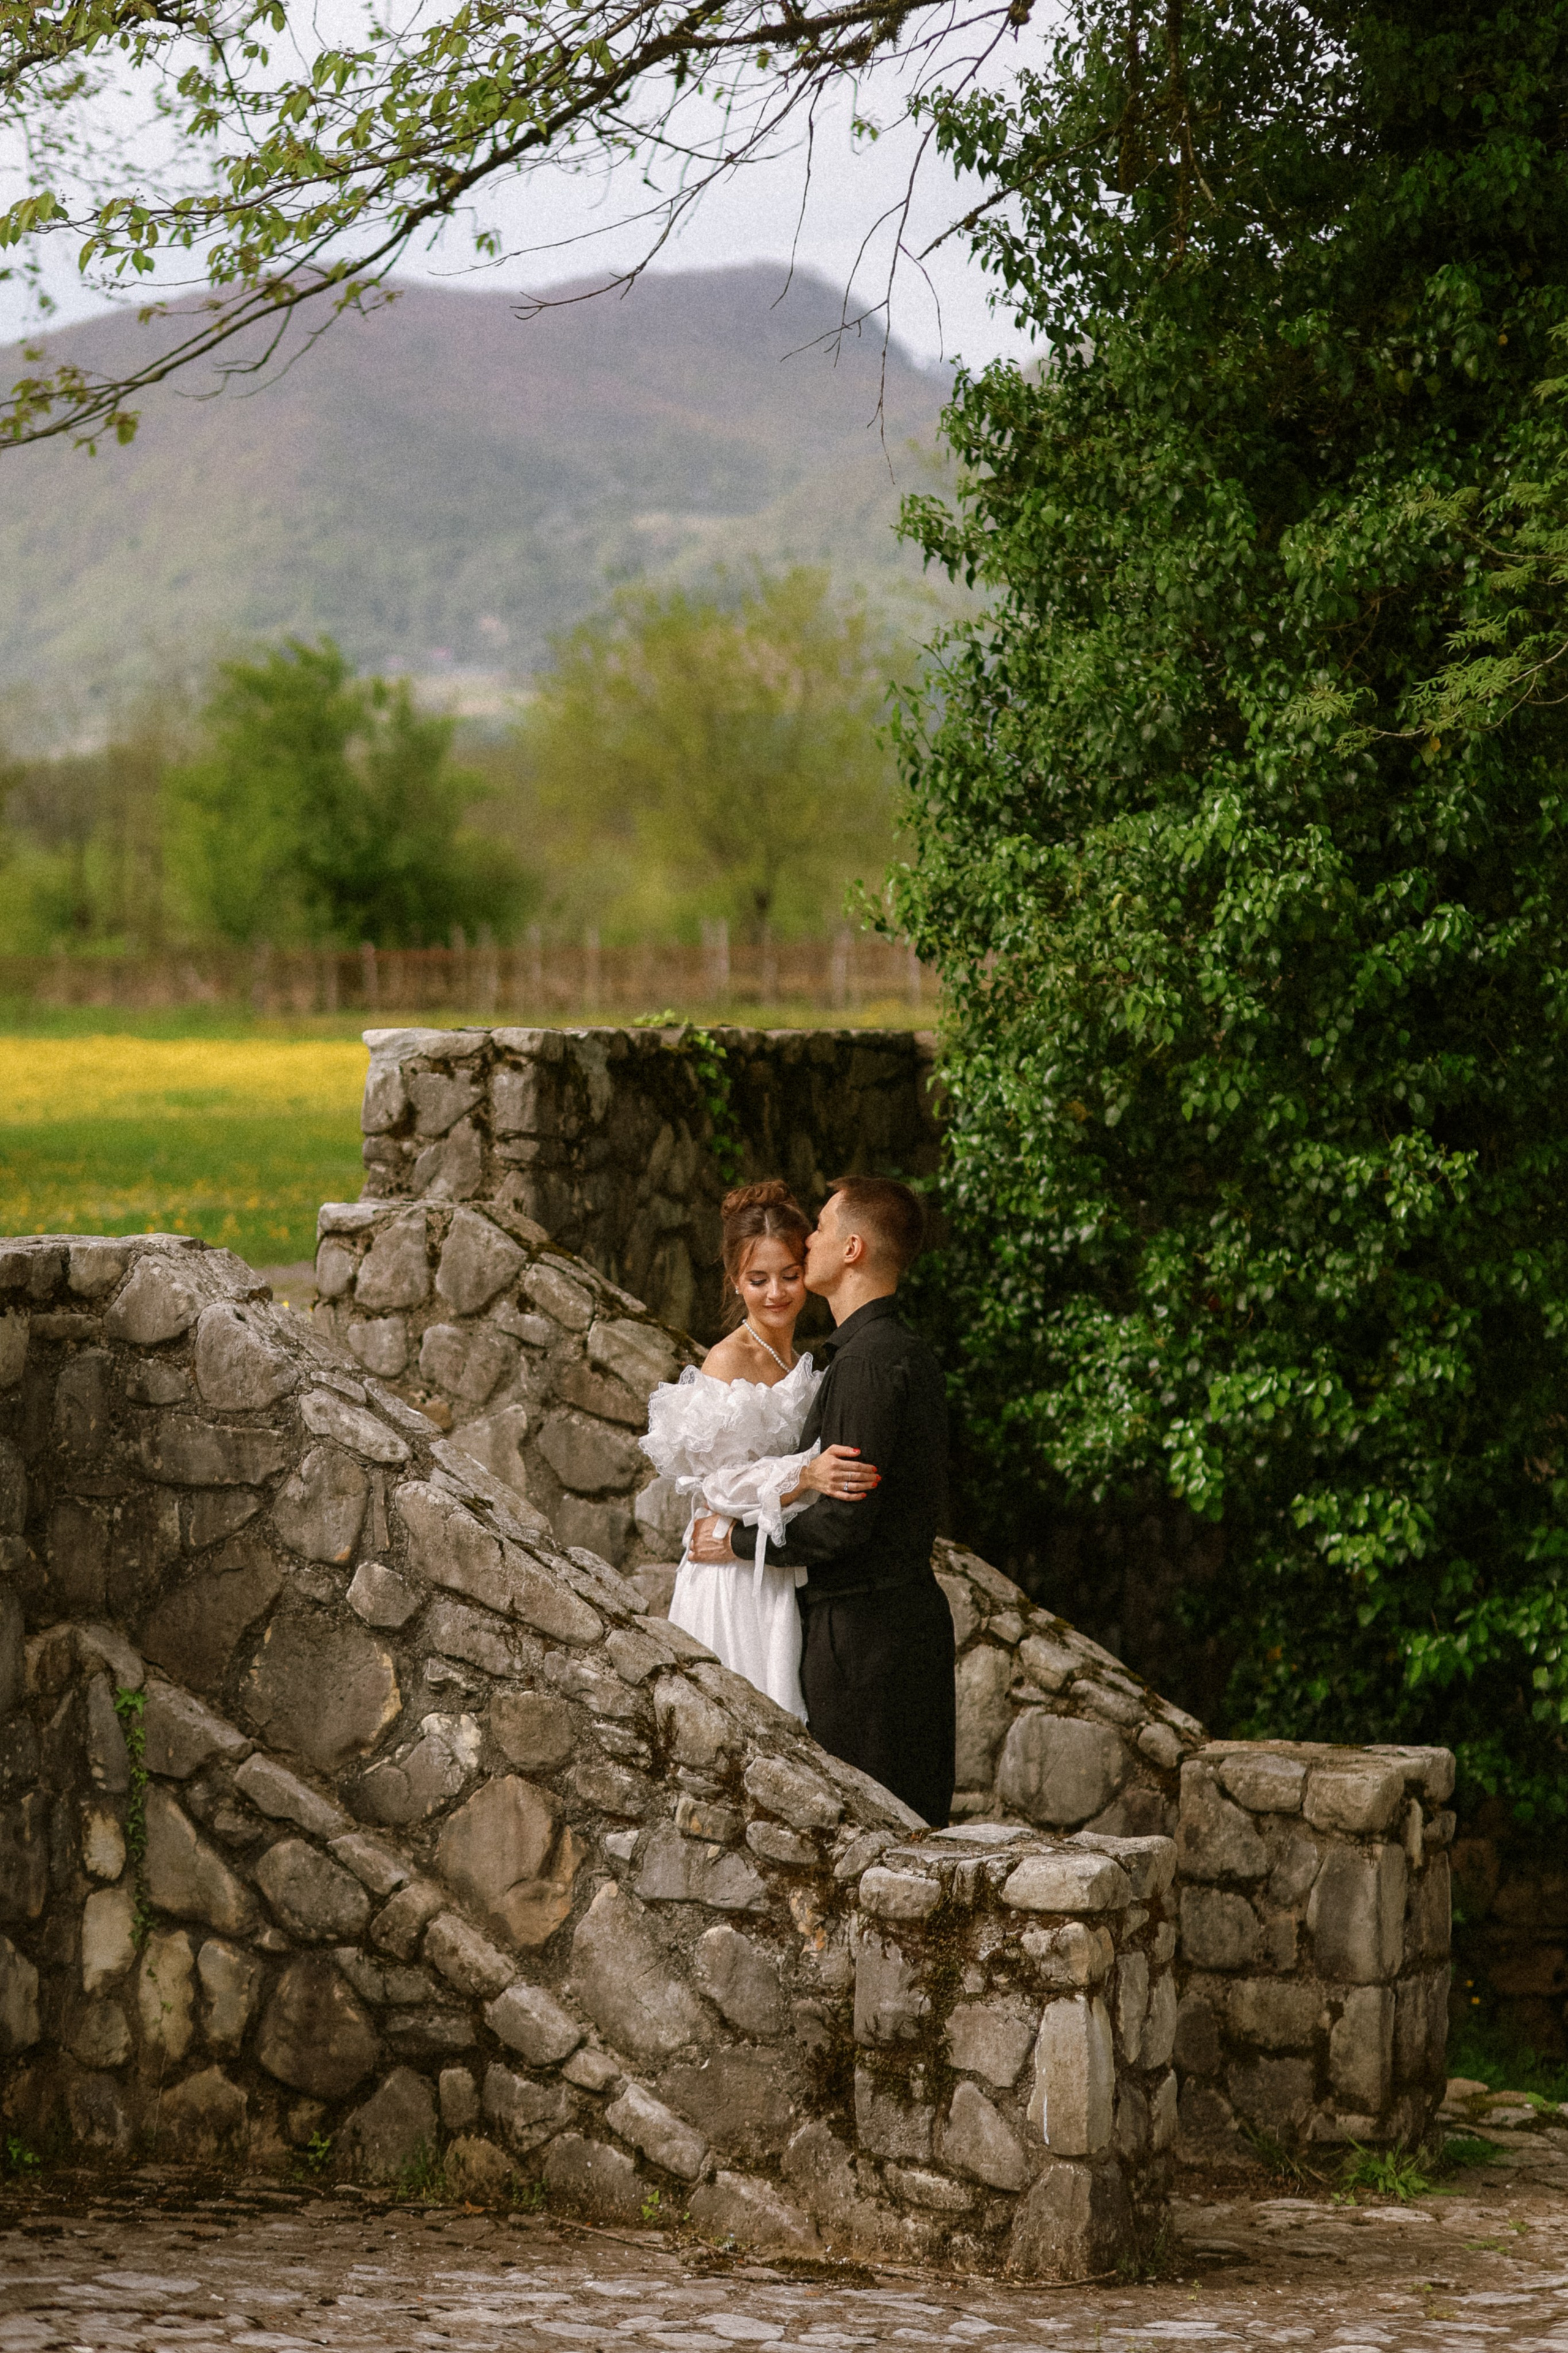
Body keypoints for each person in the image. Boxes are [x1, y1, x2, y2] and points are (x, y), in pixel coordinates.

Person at [687, 1176, 955, 1827]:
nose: (810, 1241)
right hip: (807, 1604)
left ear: (853, 1248)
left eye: (821, 1229)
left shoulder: (858, 1364)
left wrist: (740, 1540)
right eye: (758, 1278)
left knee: (873, 1825)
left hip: (862, 1631)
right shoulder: (893, 1354)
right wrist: (796, 1481)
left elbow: (843, 1524)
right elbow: (717, 1479)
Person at [639, 1179, 880, 1718]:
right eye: (758, 1279)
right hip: (732, 1578)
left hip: (781, 1567)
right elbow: (717, 1484)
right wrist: (807, 1475)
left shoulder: (805, 1362)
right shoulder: (729, 1360)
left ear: (807, 1270)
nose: (776, 1293)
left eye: (789, 1276)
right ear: (735, 1281)